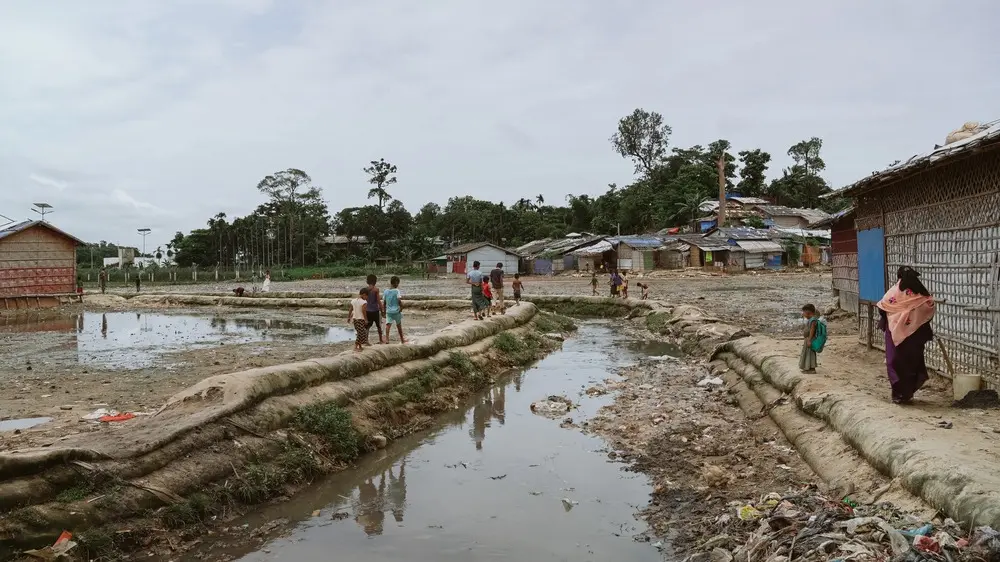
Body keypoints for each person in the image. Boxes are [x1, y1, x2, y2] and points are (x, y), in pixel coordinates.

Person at [877, 266, 935, 404]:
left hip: (895, 335)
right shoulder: (922, 295)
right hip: (915, 337)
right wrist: (912, 319)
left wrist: (896, 319)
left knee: (894, 362)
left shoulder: (893, 293)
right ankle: (907, 394)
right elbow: (929, 309)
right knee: (911, 364)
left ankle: (899, 394)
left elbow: (883, 307)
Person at [383, 276, 406, 344]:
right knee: (399, 325)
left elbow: (384, 302)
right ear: (395, 283)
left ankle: (387, 339)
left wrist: (384, 311)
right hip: (396, 311)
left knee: (388, 325)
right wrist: (401, 307)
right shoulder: (396, 291)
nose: (398, 285)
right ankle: (402, 340)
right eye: (397, 283)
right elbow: (399, 300)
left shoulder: (386, 291)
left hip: (389, 311)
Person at [348, 287, 371, 351]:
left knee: (359, 332)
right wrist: (366, 319)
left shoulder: (353, 301)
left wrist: (349, 317)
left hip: (355, 319)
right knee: (361, 333)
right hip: (361, 319)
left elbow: (350, 309)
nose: (367, 297)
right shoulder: (364, 302)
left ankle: (360, 346)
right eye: (367, 296)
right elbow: (364, 311)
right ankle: (355, 346)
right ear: (364, 294)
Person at [365, 274, 385, 344]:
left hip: (367, 310)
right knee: (379, 326)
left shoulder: (366, 290)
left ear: (367, 281)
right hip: (375, 310)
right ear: (375, 281)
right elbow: (378, 301)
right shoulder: (376, 289)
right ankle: (381, 340)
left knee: (367, 326)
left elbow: (364, 300)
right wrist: (382, 310)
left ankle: (366, 341)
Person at [799, 304, 818, 373]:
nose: (803, 314)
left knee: (810, 354)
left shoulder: (813, 320)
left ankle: (811, 369)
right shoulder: (811, 319)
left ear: (808, 312)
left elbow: (812, 330)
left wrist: (809, 340)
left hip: (810, 340)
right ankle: (808, 368)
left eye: (803, 312)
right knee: (807, 354)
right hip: (808, 339)